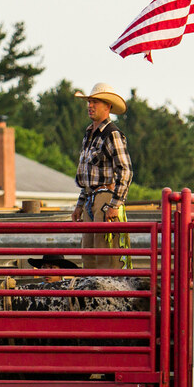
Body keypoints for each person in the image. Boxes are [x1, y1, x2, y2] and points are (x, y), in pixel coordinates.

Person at [71, 83, 133, 270]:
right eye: (89, 101)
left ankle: (108, 294)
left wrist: (115, 204)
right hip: (91, 197)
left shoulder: (112, 133)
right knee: (88, 252)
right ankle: (92, 294)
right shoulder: (89, 134)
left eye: (95, 102)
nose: (90, 105)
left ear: (107, 107)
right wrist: (80, 205)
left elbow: (125, 170)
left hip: (105, 196)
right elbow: (88, 175)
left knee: (105, 253)